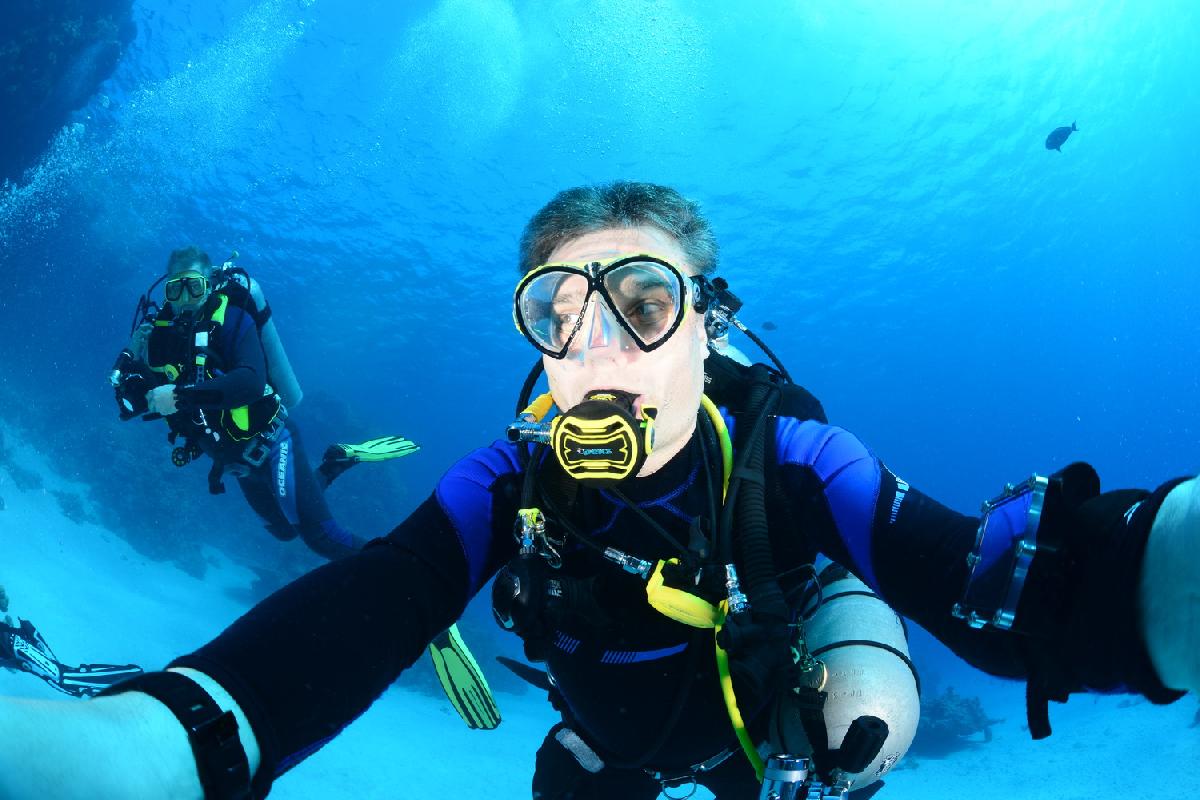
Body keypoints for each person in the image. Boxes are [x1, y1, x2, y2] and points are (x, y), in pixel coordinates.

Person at [0, 181, 1195, 799]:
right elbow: (378, 595)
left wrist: (1161, 558)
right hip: (595, 753)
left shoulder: (792, 456)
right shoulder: (511, 474)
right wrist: (160, 750)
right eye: (558, 313)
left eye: (643, 301)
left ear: (706, 327)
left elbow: (1012, 593)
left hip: (751, 744)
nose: (602, 346)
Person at [108, 247, 500, 731]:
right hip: (236, 463)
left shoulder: (230, 318)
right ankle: (336, 461)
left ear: (209, 285)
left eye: (195, 286)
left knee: (323, 537)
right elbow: (131, 405)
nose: (186, 298)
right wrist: (134, 369)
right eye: (176, 289)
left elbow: (250, 383)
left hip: (271, 442)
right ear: (163, 292)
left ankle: (422, 599)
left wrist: (182, 395)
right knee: (284, 533)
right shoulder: (159, 335)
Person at [0, 585, 143, 698]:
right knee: (65, 678)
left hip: (14, 643)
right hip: (14, 644)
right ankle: (126, 683)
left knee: (64, 678)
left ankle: (131, 680)